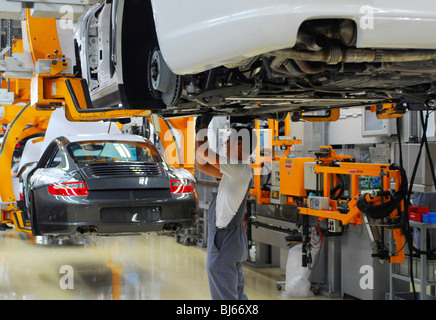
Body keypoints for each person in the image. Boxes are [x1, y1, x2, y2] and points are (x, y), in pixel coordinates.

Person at [195, 115, 257, 300]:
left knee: (224, 296)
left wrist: (204, 125)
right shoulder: (237, 170)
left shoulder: (237, 169)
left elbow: (202, 152)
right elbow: (201, 163)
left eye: (228, 140)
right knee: (235, 293)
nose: (224, 144)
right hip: (232, 239)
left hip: (225, 239)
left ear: (240, 144)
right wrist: (201, 128)